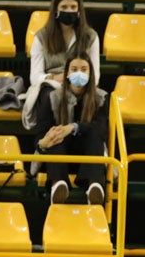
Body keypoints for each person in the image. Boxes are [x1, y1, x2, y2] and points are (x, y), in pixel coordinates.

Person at [34, 49, 108, 205]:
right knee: (56, 135)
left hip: (89, 157)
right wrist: (43, 142)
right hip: (60, 157)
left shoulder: (101, 98)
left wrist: (74, 127)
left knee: (94, 134)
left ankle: (94, 188)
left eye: (84, 69)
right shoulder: (52, 97)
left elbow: (101, 129)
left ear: (90, 73)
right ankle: (58, 186)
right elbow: (40, 134)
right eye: (74, 69)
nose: (79, 73)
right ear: (67, 73)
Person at [29, 0, 100, 88]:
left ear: (79, 10)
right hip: (51, 86)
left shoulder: (91, 36)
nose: (69, 11)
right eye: (64, 7)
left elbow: (95, 77)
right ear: (56, 10)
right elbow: (35, 78)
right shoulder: (41, 37)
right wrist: (53, 78)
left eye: (73, 7)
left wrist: (77, 83)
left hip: (81, 87)